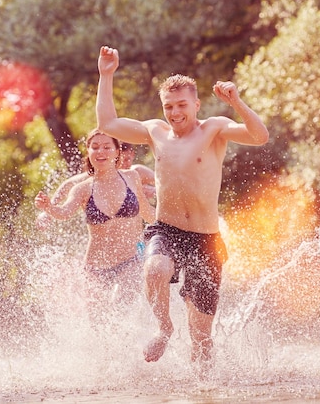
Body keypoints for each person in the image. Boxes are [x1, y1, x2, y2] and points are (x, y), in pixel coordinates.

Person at [95, 45, 269, 367]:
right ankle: (164, 328)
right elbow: (108, 122)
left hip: (206, 239)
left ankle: (204, 388)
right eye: (168, 106)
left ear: (196, 104)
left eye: (181, 106)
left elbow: (260, 136)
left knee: (201, 337)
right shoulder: (155, 131)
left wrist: (237, 103)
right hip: (167, 228)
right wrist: (106, 74)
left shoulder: (214, 128)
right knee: (155, 268)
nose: (174, 113)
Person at [35, 129, 155, 305]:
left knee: (121, 310)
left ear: (117, 151)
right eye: (95, 147)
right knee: (98, 324)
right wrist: (49, 208)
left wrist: (176, 222)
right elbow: (64, 212)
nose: (101, 152)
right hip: (96, 267)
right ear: (89, 151)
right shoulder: (83, 188)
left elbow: (148, 211)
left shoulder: (132, 176)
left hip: (131, 260)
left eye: (107, 147)